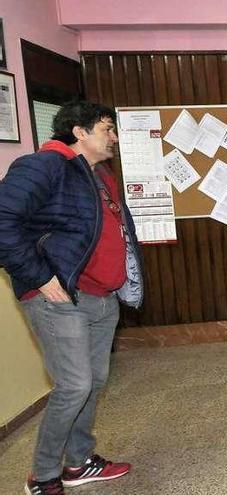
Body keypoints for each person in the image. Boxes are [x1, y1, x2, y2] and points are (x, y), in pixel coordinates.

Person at [0, 100, 144, 495]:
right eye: (106, 128)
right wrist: (39, 276)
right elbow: (2, 221)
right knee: (75, 384)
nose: (113, 137)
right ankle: (43, 474)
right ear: (79, 131)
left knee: (93, 382)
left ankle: (79, 462)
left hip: (101, 296)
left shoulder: (99, 173)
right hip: (60, 297)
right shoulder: (43, 165)